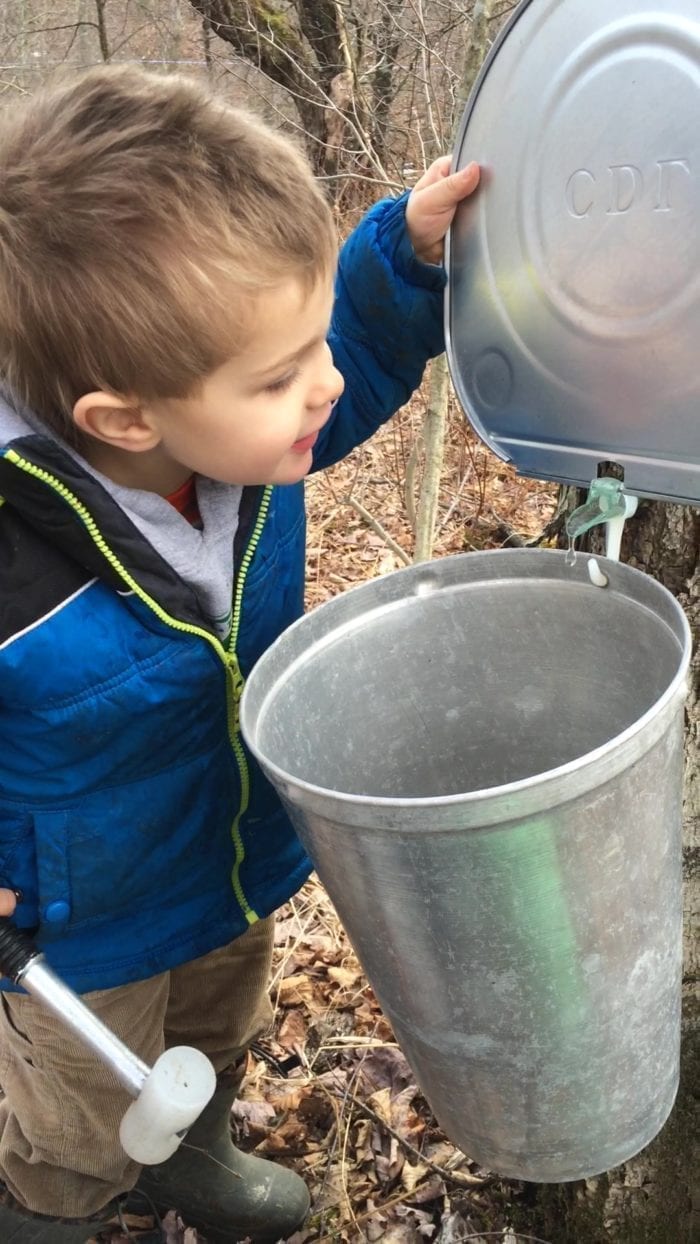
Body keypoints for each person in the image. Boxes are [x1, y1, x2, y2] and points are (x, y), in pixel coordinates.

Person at [0, 65, 479, 1243]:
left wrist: (398, 264)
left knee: (213, 1029)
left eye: (308, 339)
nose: (318, 385)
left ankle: (188, 1156)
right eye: (277, 375)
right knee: (79, 1116)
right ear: (123, 418)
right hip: (82, 916)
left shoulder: (244, 436)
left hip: (227, 855)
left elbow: (347, 364)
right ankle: (54, 1210)